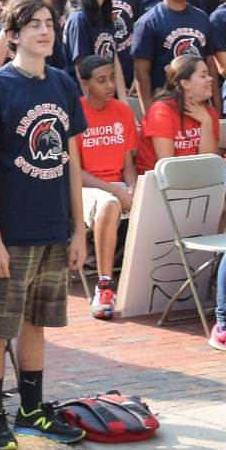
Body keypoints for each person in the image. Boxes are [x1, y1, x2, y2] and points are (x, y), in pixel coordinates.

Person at [0, 0, 90, 445]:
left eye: (49, 23)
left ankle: (32, 410)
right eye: (34, 24)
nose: (44, 31)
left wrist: (78, 229)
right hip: (13, 229)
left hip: (53, 225)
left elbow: (72, 161)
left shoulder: (62, 83)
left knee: (36, 322)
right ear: (13, 36)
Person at [74, 55, 142, 319]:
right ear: (85, 84)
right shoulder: (75, 114)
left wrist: (133, 187)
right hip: (86, 188)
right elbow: (75, 172)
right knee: (111, 204)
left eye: (112, 78)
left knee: (153, 201)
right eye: (101, 80)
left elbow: (128, 165)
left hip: (119, 185)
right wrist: (116, 191)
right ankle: (104, 286)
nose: (110, 85)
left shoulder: (123, 111)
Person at [144, 53, 222, 162]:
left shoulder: (209, 113)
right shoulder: (162, 112)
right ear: (185, 83)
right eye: (203, 76)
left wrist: (206, 122)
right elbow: (168, 165)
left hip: (198, 171)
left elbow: (208, 163)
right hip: (163, 172)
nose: (210, 79)